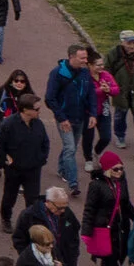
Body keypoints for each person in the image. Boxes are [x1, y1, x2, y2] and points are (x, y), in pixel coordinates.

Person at [43, 45, 97, 195]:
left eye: (86, 58)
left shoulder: (85, 73)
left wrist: (93, 114)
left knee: (70, 147)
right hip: (65, 119)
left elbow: (91, 94)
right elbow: (50, 98)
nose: (86, 61)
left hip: (80, 118)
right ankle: (73, 183)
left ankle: (61, 169)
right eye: (82, 58)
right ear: (71, 57)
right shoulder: (57, 74)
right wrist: (61, 118)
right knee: (70, 148)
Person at [0, 92, 50, 231]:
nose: (39, 111)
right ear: (25, 110)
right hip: (14, 169)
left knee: (33, 199)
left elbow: (45, 142)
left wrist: (41, 159)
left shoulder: (39, 124)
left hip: (33, 169)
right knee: (10, 196)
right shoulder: (9, 124)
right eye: (36, 109)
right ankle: (6, 218)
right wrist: (3, 163)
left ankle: (30, 223)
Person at [84, 151, 133, 266]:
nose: (119, 172)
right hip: (105, 230)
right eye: (116, 169)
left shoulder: (122, 182)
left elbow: (126, 204)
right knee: (110, 262)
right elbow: (89, 209)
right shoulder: (96, 185)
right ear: (106, 169)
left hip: (122, 228)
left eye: (121, 168)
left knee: (121, 257)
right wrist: (87, 231)